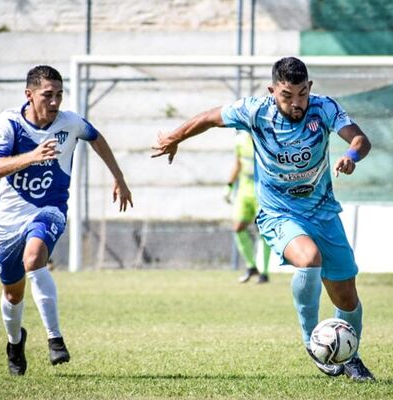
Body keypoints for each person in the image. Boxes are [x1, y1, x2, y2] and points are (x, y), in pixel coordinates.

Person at [152, 57, 374, 381]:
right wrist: (174, 137)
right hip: (278, 213)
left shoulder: (324, 109)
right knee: (308, 258)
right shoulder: (256, 111)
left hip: (323, 212)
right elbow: (211, 117)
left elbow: (360, 140)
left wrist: (351, 156)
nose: (296, 103)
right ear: (272, 91)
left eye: (302, 94)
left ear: (310, 88)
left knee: (347, 297)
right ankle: (312, 342)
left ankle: (349, 356)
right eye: (287, 95)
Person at [0, 65, 133, 376]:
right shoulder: (8, 123)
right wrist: (31, 156)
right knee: (13, 293)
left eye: (59, 95)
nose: (54, 102)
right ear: (29, 95)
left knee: (34, 257)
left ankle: (55, 339)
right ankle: (14, 343)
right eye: (47, 96)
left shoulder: (69, 122)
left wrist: (118, 177)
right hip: (7, 220)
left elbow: (96, 138)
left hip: (49, 208)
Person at [223, 131, 271, 283]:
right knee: (238, 227)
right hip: (244, 190)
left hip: (262, 190)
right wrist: (229, 186)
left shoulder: (267, 139)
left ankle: (264, 272)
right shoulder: (240, 141)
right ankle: (251, 266)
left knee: (263, 230)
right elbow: (238, 164)